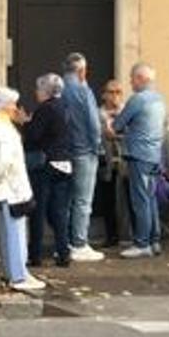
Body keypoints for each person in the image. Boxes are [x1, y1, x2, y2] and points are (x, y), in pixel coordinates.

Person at [0, 86, 46, 292]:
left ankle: (16, 272)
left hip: (11, 188)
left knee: (14, 233)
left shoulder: (2, 125)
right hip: (10, 189)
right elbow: (3, 160)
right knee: (14, 235)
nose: (15, 108)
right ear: (4, 106)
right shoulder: (1, 127)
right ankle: (18, 275)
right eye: (12, 104)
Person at [112, 63, 167, 259]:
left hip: (139, 155)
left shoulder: (138, 99)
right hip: (154, 155)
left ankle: (142, 243)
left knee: (140, 201)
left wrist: (114, 129)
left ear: (141, 78)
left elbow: (117, 125)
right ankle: (154, 241)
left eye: (132, 78)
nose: (130, 82)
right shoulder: (160, 99)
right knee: (150, 199)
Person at [23, 73, 73, 267]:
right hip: (64, 163)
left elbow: (34, 136)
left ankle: (35, 254)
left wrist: (25, 122)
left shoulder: (45, 109)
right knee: (59, 212)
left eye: (38, 89)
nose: (36, 92)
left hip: (46, 163)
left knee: (38, 211)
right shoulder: (64, 106)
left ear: (45, 91)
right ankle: (63, 252)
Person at [62, 53, 104, 262]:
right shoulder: (83, 91)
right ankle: (79, 243)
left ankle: (65, 242)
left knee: (67, 200)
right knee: (83, 201)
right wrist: (97, 147)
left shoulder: (59, 90)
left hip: (65, 152)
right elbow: (94, 124)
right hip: (84, 151)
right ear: (82, 71)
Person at [96, 79, 126, 246]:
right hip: (106, 162)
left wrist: (117, 136)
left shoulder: (127, 112)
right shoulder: (98, 114)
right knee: (108, 201)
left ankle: (132, 234)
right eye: (111, 92)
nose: (115, 96)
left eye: (118, 92)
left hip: (126, 161)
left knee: (129, 198)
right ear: (104, 95)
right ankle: (111, 236)